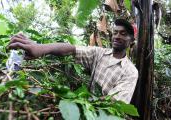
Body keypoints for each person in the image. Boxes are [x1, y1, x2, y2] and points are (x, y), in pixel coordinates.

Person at [8, 19, 138, 104]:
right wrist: (41, 48)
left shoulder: (130, 71)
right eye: (115, 32)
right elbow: (72, 49)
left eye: (123, 34)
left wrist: (78, 102)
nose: (117, 36)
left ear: (131, 41)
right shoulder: (100, 54)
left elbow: (115, 102)